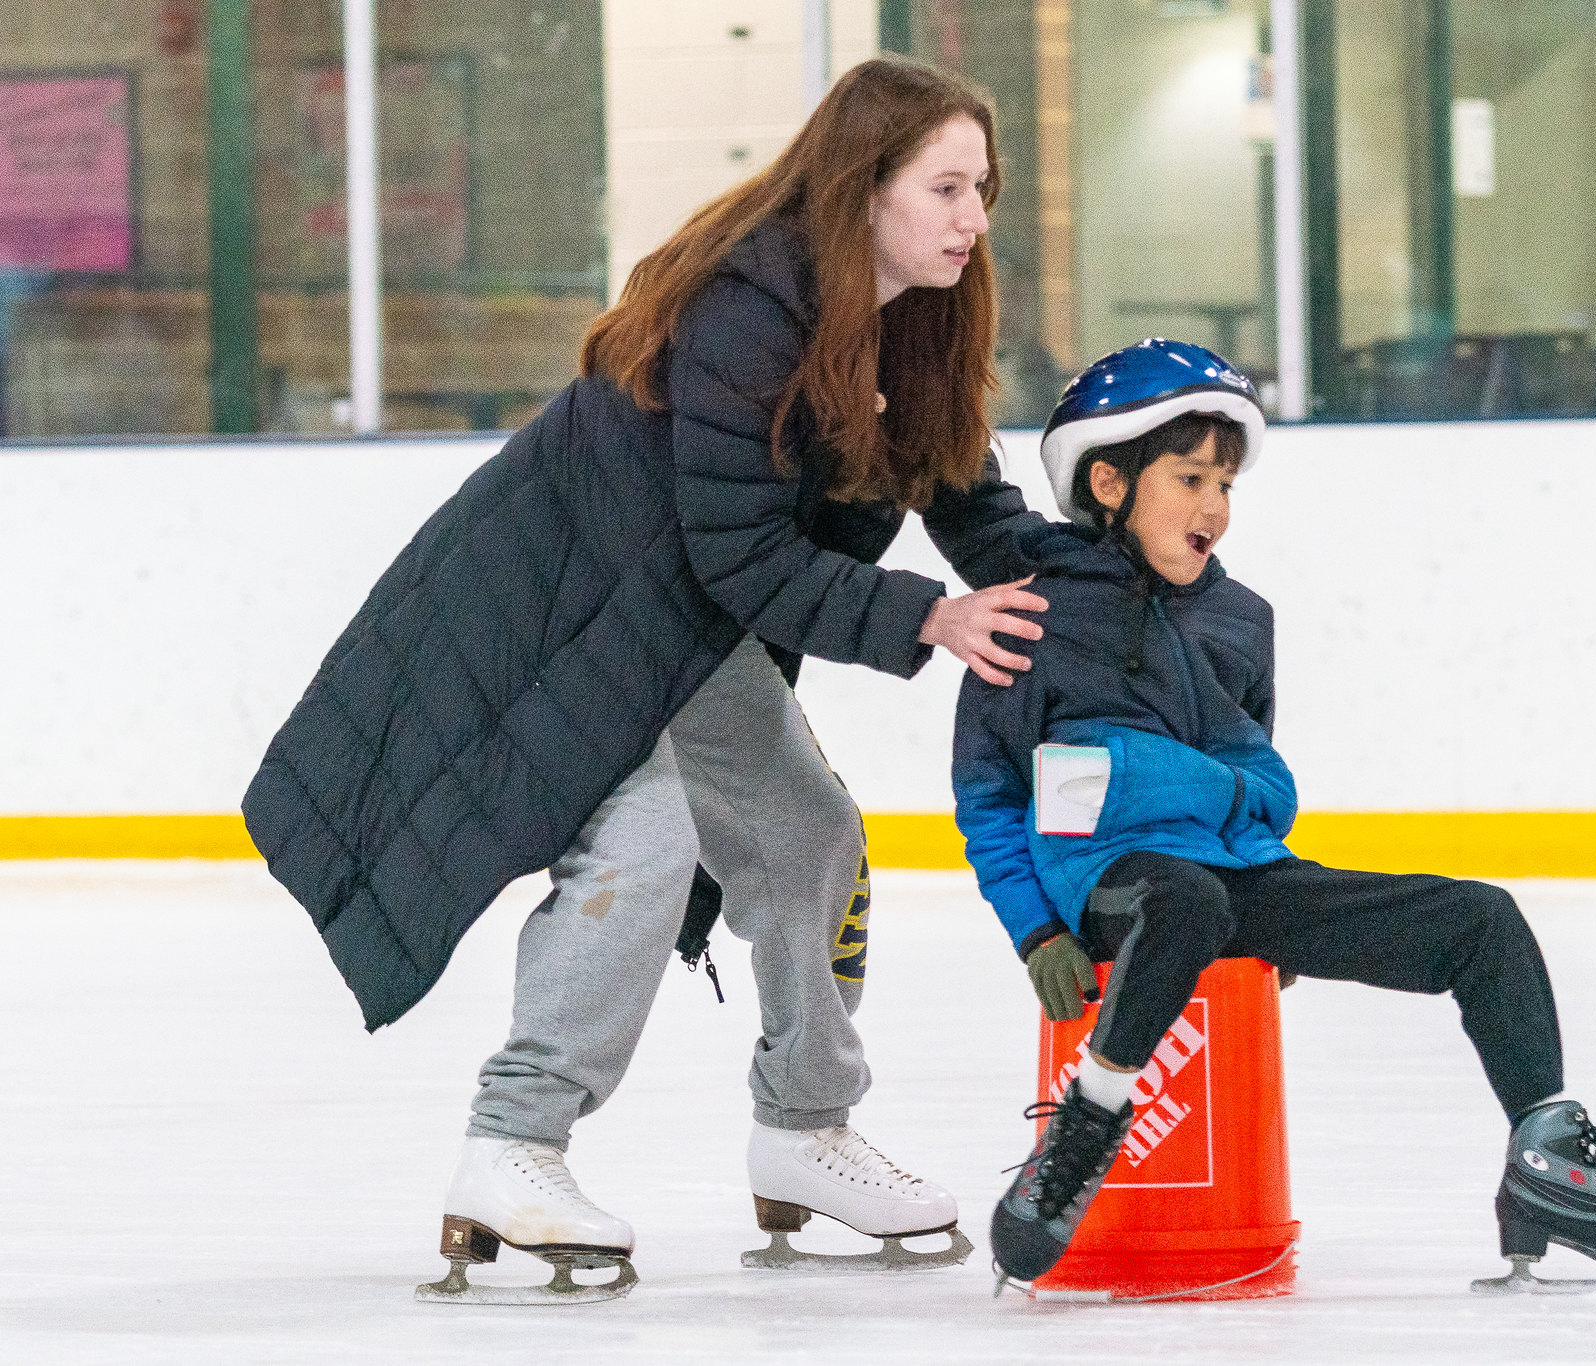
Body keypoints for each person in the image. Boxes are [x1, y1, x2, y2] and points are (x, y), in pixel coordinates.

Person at [243, 57, 1052, 1303]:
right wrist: (925, 616)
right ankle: (512, 1145)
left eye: (982, 188)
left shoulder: (917, 321)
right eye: (946, 187)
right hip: (566, 601)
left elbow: (966, 495)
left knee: (802, 833)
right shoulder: (752, 305)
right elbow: (739, 553)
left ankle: (801, 1129)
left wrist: (1091, 580)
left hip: (677, 620)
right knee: (647, 838)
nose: (973, 218)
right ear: (864, 190)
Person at [950, 339, 1596, 1295]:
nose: (1214, 508)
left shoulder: (1241, 620)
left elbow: (1240, 777)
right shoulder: (1032, 613)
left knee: (1481, 919)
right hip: (1109, 874)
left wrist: (1284, 890)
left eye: (1225, 484)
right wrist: (1034, 931)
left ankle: (1546, 1164)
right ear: (1107, 479)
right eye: (1189, 479)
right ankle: (1080, 1136)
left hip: (1239, 876)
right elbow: (986, 793)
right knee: (1184, 901)